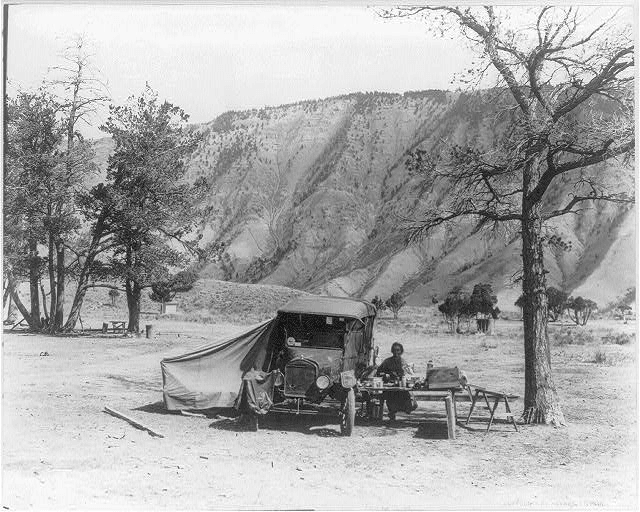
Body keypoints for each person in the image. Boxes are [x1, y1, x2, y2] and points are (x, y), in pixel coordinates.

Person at [376, 342, 417, 420]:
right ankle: (392, 413)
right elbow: (378, 372)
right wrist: (385, 375)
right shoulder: (387, 361)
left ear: (401, 351)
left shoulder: (403, 362)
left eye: (398, 350)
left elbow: (408, 373)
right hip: (388, 384)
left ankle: (402, 410)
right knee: (391, 394)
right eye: (394, 350)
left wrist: (408, 374)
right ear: (392, 351)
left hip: (400, 384)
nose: (396, 352)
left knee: (408, 397)